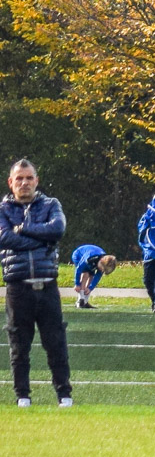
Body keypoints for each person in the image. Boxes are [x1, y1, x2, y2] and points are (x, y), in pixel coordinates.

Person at [0, 159, 72, 407]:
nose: (24, 183)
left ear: (37, 181)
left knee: (56, 343)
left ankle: (64, 395)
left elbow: (58, 229)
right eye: (19, 178)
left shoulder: (51, 204)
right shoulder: (2, 209)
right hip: (18, 287)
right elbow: (5, 238)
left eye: (29, 178)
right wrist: (42, 241)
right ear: (10, 182)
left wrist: (23, 229)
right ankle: (23, 396)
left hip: (48, 285)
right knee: (19, 346)